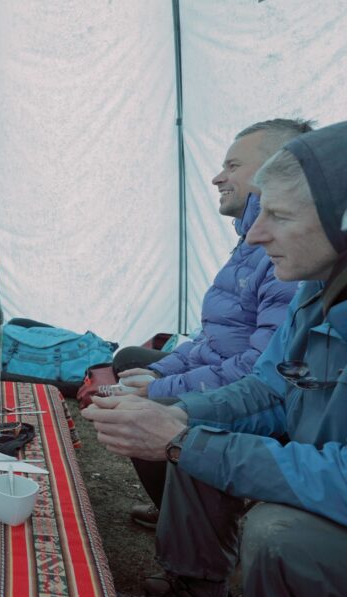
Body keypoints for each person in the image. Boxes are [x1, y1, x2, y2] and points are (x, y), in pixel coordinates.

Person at [82, 121, 347, 597]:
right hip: (307, 451)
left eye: (279, 216)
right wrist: (178, 416)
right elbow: (271, 388)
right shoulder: (315, 291)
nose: (255, 235)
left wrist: (180, 431)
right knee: (202, 448)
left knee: (281, 534)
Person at [112, 119, 310, 528]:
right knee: (134, 363)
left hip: (260, 402)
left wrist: (159, 390)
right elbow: (212, 339)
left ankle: (191, 522)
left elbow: (257, 372)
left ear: (274, 170)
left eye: (233, 166)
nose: (218, 177)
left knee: (148, 409)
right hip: (232, 381)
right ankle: (174, 508)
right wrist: (159, 371)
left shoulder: (291, 256)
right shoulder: (247, 246)